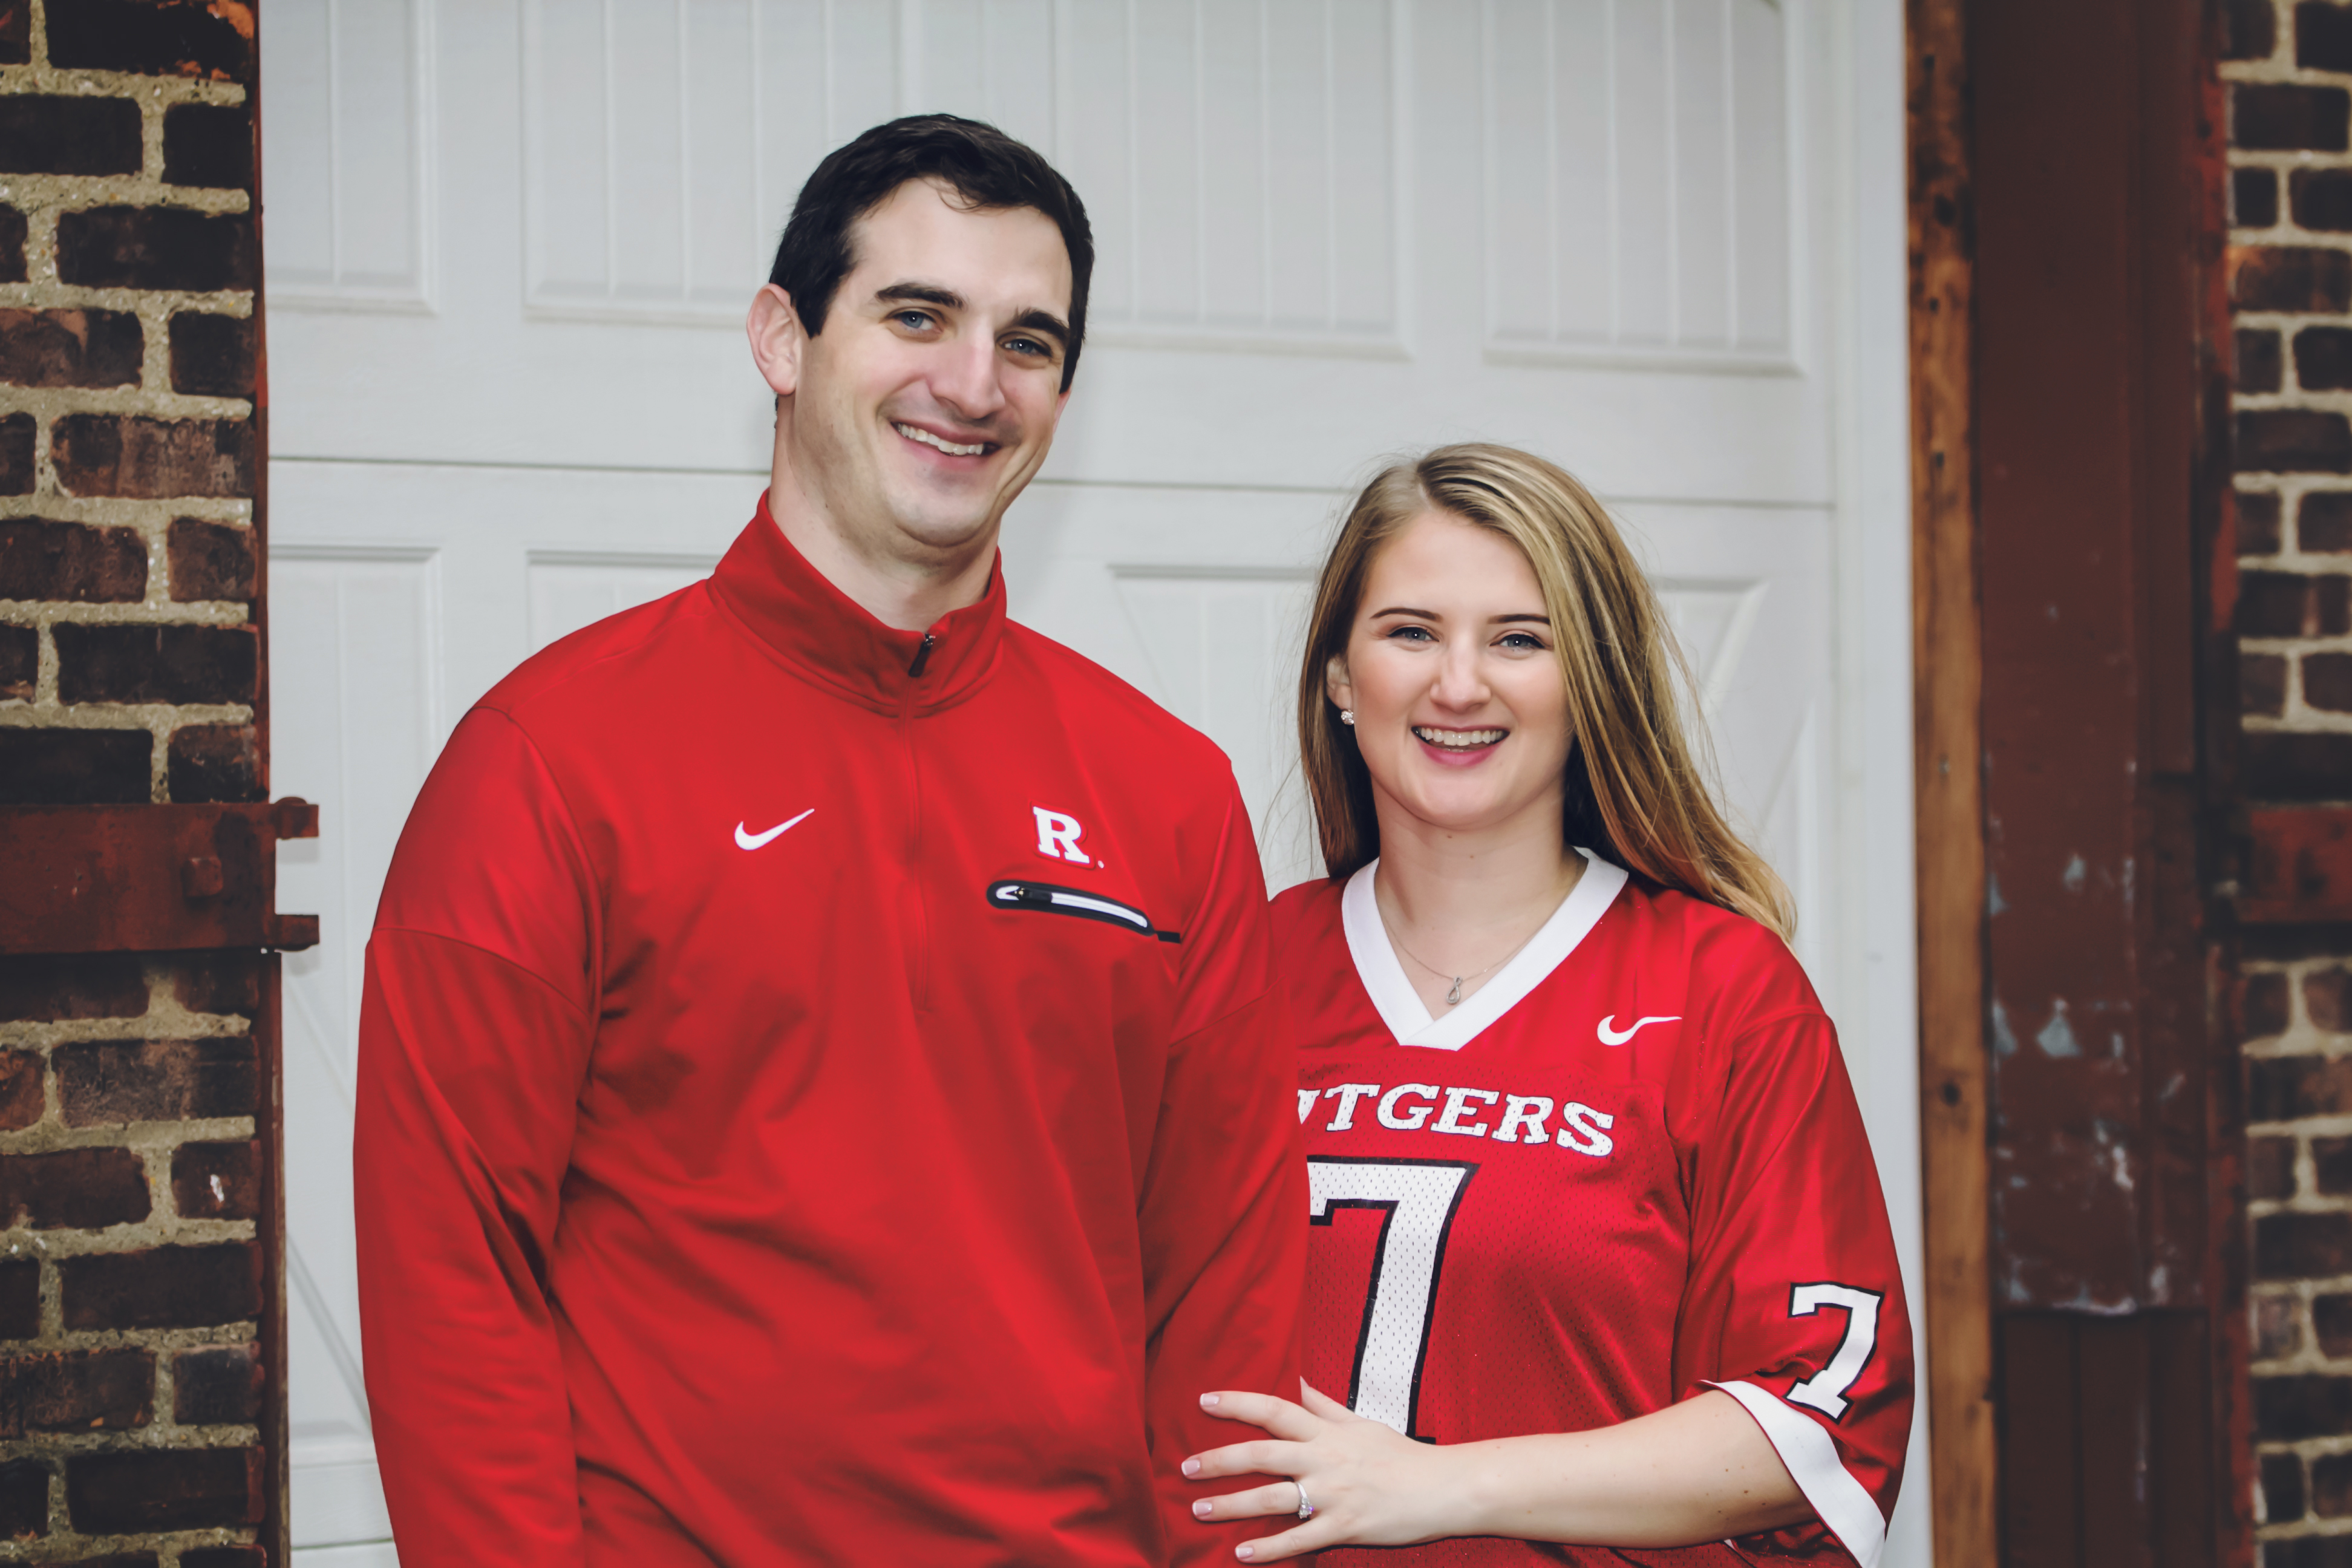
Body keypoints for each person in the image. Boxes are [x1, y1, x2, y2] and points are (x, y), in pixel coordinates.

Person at [353, 114, 1305, 1566]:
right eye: (916, 315)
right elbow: (450, 1274)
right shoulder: (549, 760)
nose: (973, 385)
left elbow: (1225, 1293)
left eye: (1029, 342)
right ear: (781, 340)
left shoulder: (1166, 792)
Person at [1180, 445, 1912, 1565]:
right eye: (1411, 632)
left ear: (1590, 684)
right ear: (1339, 678)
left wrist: (1439, 1483)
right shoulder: (1239, 965)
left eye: (1520, 640)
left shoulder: (1723, 990)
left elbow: (1821, 1412)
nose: (1458, 684)